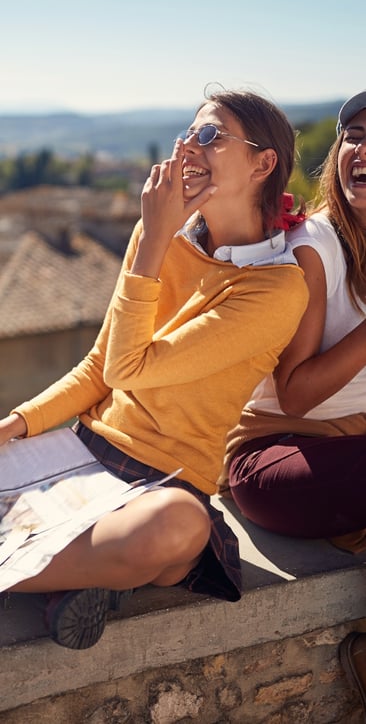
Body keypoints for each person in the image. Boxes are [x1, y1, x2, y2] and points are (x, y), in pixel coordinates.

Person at [0, 88, 308, 650]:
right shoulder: (158, 237)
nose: (190, 146)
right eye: (188, 133)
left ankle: (102, 569)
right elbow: (99, 368)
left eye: (211, 135)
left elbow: (126, 366)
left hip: (160, 484)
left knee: (178, 528)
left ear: (264, 163)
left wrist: (154, 239)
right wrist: (14, 426)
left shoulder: (276, 289)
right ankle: (89, 578)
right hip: (83, 452)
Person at [224, 90, 366, 712]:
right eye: (356, 135)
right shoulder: (317, 245)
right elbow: (298, 394)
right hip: (275, 455)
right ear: (338, 152)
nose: (365, 149)